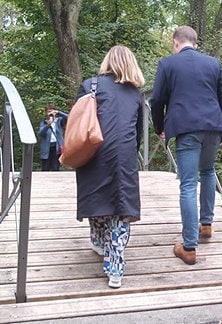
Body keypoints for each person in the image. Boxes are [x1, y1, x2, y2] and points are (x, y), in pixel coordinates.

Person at [150, 26, 222, 265]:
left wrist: (160, 128)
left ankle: (189, 247)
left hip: (186, 128)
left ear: (175, 43)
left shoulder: (168, 64)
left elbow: (156, 100)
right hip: (213, 126)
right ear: (195, 44)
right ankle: (206, 225)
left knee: (188, 183)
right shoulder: (213, 64)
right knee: (208, 171)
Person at [75, 45, 145, 288]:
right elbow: (138, 133)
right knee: (121, 206)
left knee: (96, 195)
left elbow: (77, 122)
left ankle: (98, 239)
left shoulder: (90, 86)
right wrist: (128, 153)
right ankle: (115, 266)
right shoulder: (136, 94)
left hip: (95, 150)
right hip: (124, 153)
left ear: (107, 61)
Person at [37, 103, 68, 171]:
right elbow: (41, 134)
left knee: (55, 167)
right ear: (46, 113)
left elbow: (69, 118)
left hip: (57, 148)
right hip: (46, 148)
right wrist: (48, 125)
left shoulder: (59, 121)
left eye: (52, 111)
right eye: (48, 111)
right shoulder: (44, 122)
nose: (50, 113)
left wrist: (58, 112)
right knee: (45, 168)